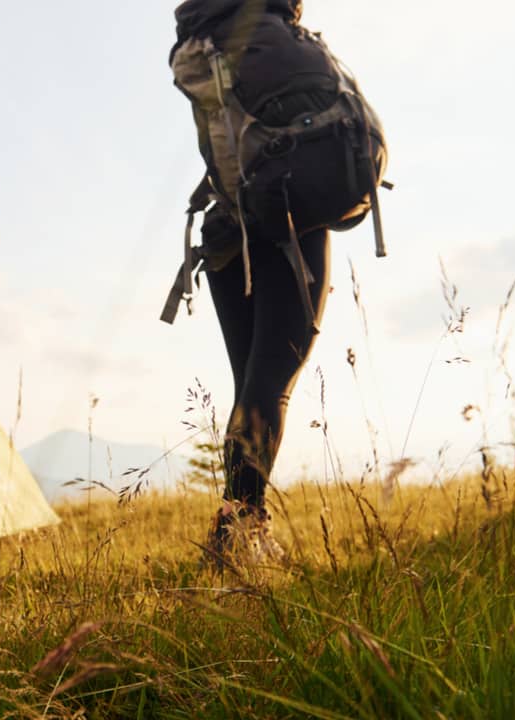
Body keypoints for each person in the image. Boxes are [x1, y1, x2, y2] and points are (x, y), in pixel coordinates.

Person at [163, 0, 386, 565]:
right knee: (270, 383)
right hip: (284, 222)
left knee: (253, 386)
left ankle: (240, 527)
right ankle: (240, 534)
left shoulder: (203, 41)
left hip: (225, 228)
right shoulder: (273, 34)